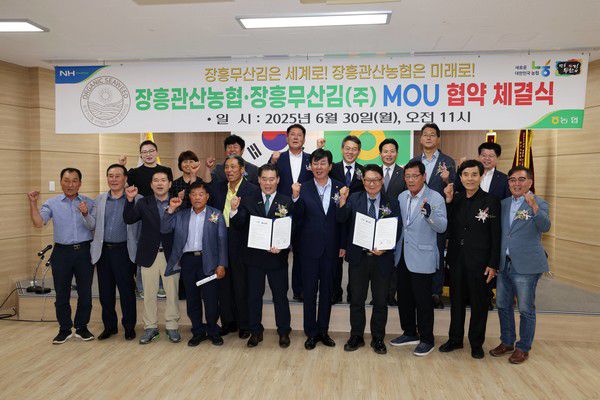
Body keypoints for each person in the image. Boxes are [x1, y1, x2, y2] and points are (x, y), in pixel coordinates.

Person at [439, 160, 500, 359]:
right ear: (460, 177)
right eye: (466, 175)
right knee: (456, 303)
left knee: (479, 305)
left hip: (481, 262)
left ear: (481, 176)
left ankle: (476, 343)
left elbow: (496, 235)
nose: (470, 179)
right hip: (457, 260)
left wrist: (493, 263)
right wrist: (448, 202)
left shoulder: (491, 200)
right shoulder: (455, 198)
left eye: (474, 174)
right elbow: (447, 226)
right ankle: (455, 339)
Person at [489, 166, 551, 364]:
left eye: (521, 179)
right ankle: (507, 342)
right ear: (508, 183)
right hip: (504, 263)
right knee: (502, 305)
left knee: (525, 308)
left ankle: (523, 347)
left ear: (530, 182)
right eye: (512, 180)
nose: (516, 183)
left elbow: (545, 226)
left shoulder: (539, 202)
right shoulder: (504, 203)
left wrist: (534, 207)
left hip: (527, 265)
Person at [337, 164, 400, 355]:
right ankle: (356, 336)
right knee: (357, 300)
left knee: (380, 301)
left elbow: (397, 229)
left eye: (376, 180)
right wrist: (342, 201)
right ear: (363, 181)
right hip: (359, 258)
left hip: (382, 259)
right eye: (368, 180)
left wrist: (385, 247)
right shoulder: (353, 198)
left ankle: (378, 338)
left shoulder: (392, 202)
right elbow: (341, 219)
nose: (372, 184)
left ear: (382, 181)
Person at [28, 168, 95, 344]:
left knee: (85, 292)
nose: (70, 184)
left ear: (80, 183)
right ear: (61, 182)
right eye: (66, 180)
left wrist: (85, 213)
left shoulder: (89, 202)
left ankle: (82, 327)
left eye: (74, 181)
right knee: (61, 293)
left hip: (84, 251)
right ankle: (64, 329)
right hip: (62, 253)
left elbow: (93, 226)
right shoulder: (52, 203)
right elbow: (38, 223)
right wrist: (33, 203)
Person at [229, 164, 293, 348]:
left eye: (271, 179)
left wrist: (283, 245)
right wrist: (234, 210)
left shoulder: (286, 201)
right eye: (264, 179)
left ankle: (283, 331)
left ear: (278, 180)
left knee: (280, 297)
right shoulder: (249, 200)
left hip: (277, 258)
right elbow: (239, 223)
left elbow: (292, 228)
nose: (267, 183)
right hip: (254, 259)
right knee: (253, 297)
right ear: (258, 180)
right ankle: (256, 331)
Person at [390, 160, 447, 357]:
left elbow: (442, 227)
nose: (411, 180)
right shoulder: (401, 196)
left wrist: (429, 215)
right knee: (404, 297)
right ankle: (409, 333)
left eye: (415, 176)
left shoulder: (435, 197)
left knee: (423, 301)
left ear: (424, 177)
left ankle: (427, 339)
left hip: (423, 256)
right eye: (408, 176)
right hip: (402, 255)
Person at [161, 181, 227, 346]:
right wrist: (171, 209)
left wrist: (222, 264)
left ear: (207, 196)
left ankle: (213, 331)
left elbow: (222, 241)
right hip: (188, 261)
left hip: (209, 261)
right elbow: (165, 228)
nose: (197, 197)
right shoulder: (181, 215)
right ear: (189, 197)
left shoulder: (216, 214)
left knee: (211, 300)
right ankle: (197, 331)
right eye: (194, 194)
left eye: (201, 194)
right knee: (192, 299)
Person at [292, 148, 345, 350]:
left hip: (331, 248)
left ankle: (323, 330)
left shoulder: (340, 188)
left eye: (323, 163)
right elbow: (296, 219)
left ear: (330, 166)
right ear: (311, 166)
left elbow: (343, 221)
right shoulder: (303, 188)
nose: (319, 167)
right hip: (309, 249)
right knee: (309, 292)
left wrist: (342, 244)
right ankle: (311, 333)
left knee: (327, 291)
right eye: (315, 163)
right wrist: (295, 198)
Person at [123, 171, 181, 345]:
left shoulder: (178, 203)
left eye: (163, 180)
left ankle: (172, 326)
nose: (159, 183)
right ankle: (150, 327)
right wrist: (130, 200)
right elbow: (129, 219)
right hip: (149, 254)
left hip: (171, 255)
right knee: (148, 294)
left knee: (172, 293)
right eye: (156, 180)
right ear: (151, 185)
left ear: (169, 184)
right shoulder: (143, 202)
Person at [207, 155, 259, 338]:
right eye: (226, 167)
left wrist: (236, 211)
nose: (229, 170)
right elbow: (212, 212)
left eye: (233, 167)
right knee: (223, 283)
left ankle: (244, 324)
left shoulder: (252, 190)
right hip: (221, 239)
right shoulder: (218, 188)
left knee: (241, 284)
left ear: (242, 169)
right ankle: (228, 322)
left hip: (241, 241)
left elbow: (250, 218)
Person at [86, 164, 140, 341]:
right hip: (104, 252)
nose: (114, 179)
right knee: (106, 293)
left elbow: (141, 227)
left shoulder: (136, 198)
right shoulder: (100, 199)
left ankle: (129, 327)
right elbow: (92, 225)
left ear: (125, 178)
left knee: (127, 292)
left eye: (118, 176)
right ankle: (109, 327)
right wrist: (85, 214)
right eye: (110, 176)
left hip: (125, 251)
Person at [409, 123, 456, 309]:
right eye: (425, 134)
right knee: (416, 250)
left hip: (437, 214)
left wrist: (447, 179)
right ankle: (417, 290)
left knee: (436, 252)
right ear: (420, 139)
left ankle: (435, 292)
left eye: (432, 134)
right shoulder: (414, 161)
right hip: (416, 214)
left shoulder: (448, 161)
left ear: (438, 139)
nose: (428, 137)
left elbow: (454, 188)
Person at [269, 124, 314, 302]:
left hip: (305, 210)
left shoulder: (311, 159)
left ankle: (299, 289)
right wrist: (272, 161)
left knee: (301, 252)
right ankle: (280, 290)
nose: (295, 137)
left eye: (299, 135)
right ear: (287, 138)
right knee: (280, 251)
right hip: (282, 211)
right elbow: (268, 176)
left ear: (304, 138)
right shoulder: (277, 158)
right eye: (292, 134)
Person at [329, 135, 365, 304]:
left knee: (355, 261)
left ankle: (353, 293)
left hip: (355, 223)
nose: (350, 152)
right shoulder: (332, 168)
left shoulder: (363, 171)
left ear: (359, 151)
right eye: (347, 148)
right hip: (335, 220)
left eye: (354, 149)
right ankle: (335, 292)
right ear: (342, 149)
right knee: (335, 260)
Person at [379, 138, 407, 306]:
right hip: (377, 223)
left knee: (394, 260)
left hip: (397, 222)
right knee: (379, 261)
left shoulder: (403, 173)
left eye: (392, 151)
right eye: (385, 151)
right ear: (380, 154)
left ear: (397, 153)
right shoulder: (374, 172)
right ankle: (378, 295)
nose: (389, 154)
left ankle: (391, 295)